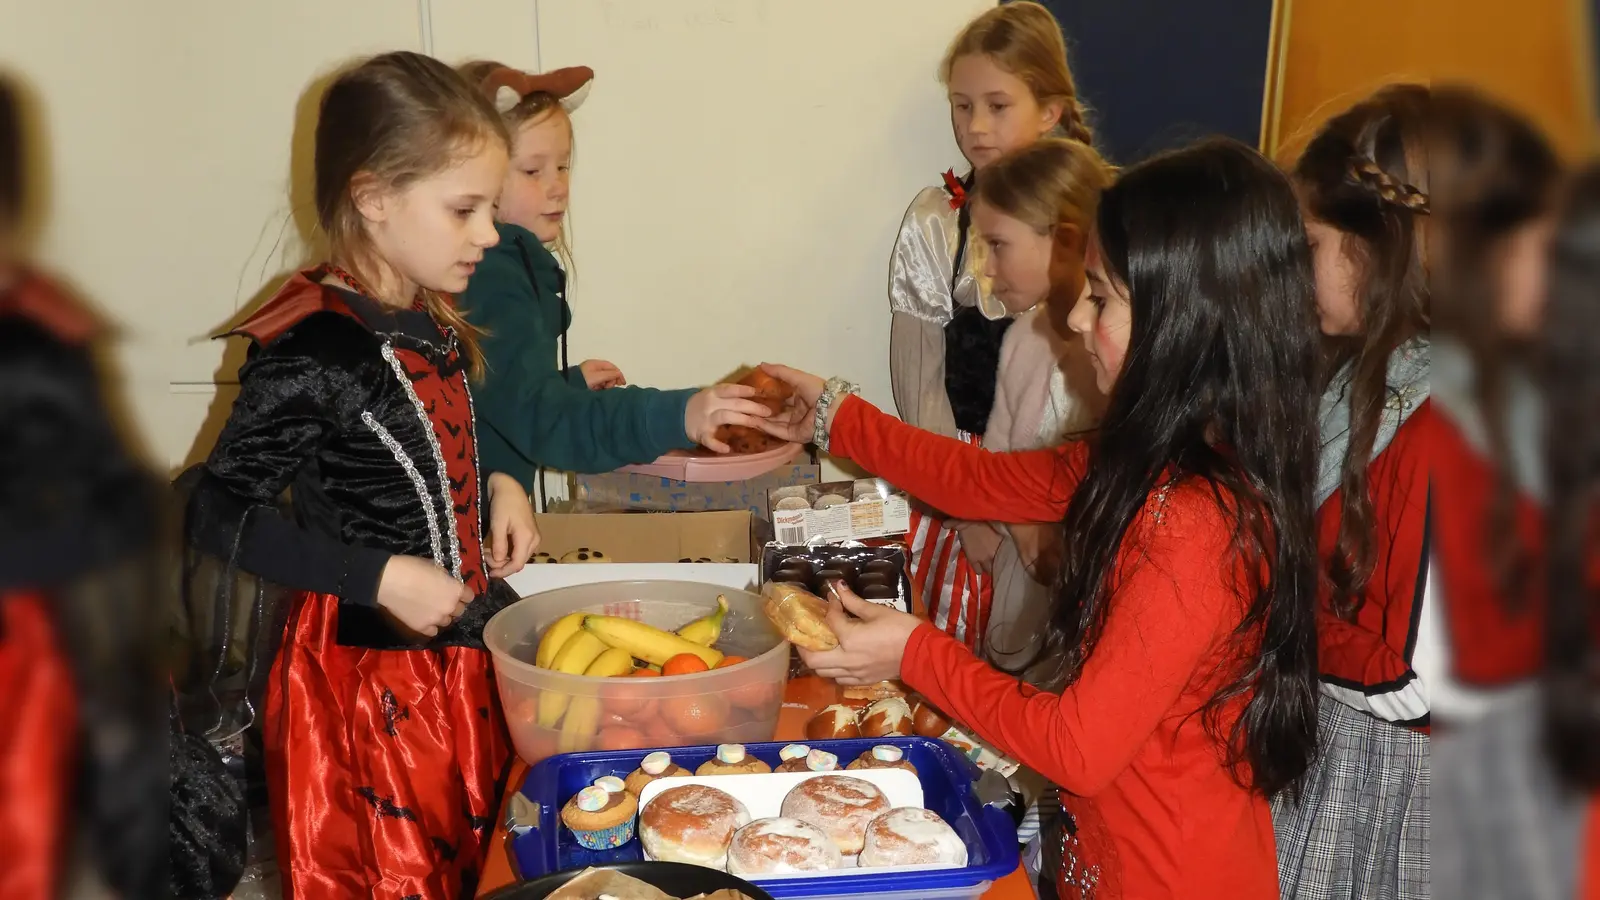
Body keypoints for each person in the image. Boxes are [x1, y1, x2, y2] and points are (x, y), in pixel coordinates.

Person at [764, 137, 1322, 899]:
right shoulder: (1144, 460)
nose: (1076, 315)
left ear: (1181, 323)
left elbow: (1077, 748)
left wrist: (916, 651)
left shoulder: (1194, 520)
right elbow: (974, 480)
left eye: (1101, 295)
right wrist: (834, 413)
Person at [184, 51, 538, 898]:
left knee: (478, 845)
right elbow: (212, 508)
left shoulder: (424, 309)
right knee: (395, 872)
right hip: (370, 684)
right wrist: (378, 576)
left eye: (488, 208)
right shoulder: (317, 348)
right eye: (465, 209)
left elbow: (431, 430)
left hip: (455, 646)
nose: (490, 232)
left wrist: (498, 485)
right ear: (374, 198)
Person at [888, 0, 1094, 653]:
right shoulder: (934, 222)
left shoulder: (1100, 220)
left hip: (1066, 497)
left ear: (1051, 110)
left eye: (997, 105)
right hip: (959, 481)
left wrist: (1030, 513)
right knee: (954, 660)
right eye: (961, 105)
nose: (975, 126)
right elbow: (919, 383)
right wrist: (966, 507)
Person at [456, 62, 770, 492]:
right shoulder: (491, 279)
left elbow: (491, 399)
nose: (557, 187)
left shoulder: (505, 268)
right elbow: (542, 420)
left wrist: (566, 385)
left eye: (563, 167)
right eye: (533, 171)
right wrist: (678, 416)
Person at [1268, 84, 1433, 900]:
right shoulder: (1361, 375)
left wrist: (1256, 605)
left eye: (1311, 245)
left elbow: (1415, 676)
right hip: (1340, 745)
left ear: (1377, 247)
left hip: (1408, 788)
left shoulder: (1448, 419)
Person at [968, 137, 1109, 675]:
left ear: (1065, 241)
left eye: (998, 245)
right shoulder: (1021, 336)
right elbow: (997, 461)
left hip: (1093, 600)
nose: (987, 268)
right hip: (1021, 592)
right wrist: (1021, 525)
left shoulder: (1114, 348)